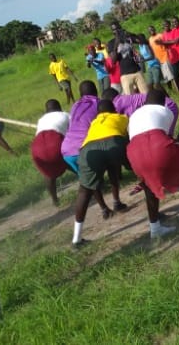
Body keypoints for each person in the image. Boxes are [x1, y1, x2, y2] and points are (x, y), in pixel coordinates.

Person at [127, 89, 179, 238]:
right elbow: (172, 141)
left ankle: (154, 228)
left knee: (147, 183)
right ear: (164, 101)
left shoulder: (133, 116)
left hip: (134, 153)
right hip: (156, 145)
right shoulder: (165, 111)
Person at [71, 99, 130, 247]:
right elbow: (126, 136)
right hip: (114, 142)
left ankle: (76, 239)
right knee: (138, 167)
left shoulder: (94, 123)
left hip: (88, 150)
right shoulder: (121, 117)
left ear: (98, 113)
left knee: (85, 191)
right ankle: (155, 216)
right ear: (114, 111)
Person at [31, 99, 72, 207]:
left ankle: (55, 200)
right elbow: (73, 131)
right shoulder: (65, 115)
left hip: (37, 146)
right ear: (59, 107)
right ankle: (90, 186)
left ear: (46, 110)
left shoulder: (41, 119)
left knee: (48, 173)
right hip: (54, 141)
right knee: (72, 161)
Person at [147, 24, 175, 91]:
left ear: (155, 29)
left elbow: (166, 43)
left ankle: (178, 90)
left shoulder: (160, 35)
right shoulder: (149, 40)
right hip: (158, 61)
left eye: (152, 29)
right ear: (148, 32)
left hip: (165, 58)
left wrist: (161, 42)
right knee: (166, 78)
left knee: (171, 76)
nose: (152, 31)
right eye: (150, 30)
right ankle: (171, 90)